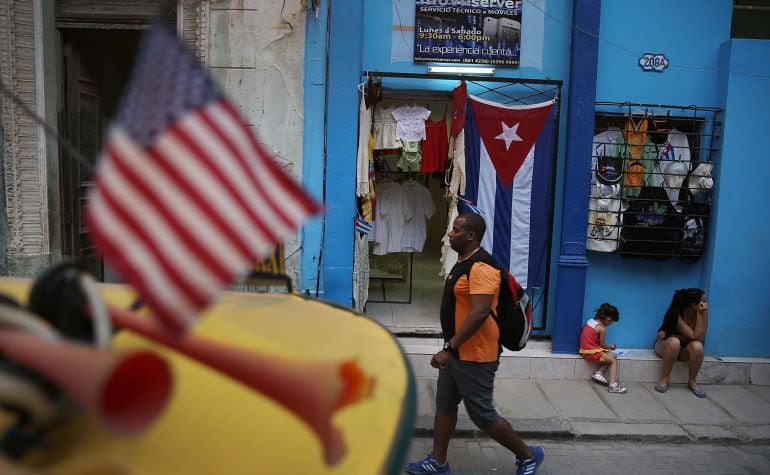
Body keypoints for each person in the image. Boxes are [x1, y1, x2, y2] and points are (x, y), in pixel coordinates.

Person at [406, 213, 544, 475]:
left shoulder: (482, 267)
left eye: (456, 230)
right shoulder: (463, 260)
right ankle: (438, 462)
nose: (450, 234)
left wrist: (450, 348)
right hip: (458, 351)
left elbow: (480, 313)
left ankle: (528, 455)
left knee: (482, 415)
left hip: (476, 355)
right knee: (445, 405)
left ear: (471, 236)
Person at [653, 288, 709, 398]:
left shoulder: (703, 312)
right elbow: (693, 336)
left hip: (684, 349)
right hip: (665, 345)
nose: (706, 305)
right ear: (694, 305)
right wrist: (700, 314)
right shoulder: (677, 314)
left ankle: (692, 381)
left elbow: (700, 339)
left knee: (698, 347)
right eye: (704, 302)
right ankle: (664, 379)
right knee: (674, 342)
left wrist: (703, 315)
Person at [579, 303, 627, 394]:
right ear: (608, 319)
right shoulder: (601, 328)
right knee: (613, 361)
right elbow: (602, 345)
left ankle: (599, 373)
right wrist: (611, 347)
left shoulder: (591, 321)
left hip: (586, 350)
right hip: (591, 352)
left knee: (612, 355)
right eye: (612, 322)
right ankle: (612, 385)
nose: (611, 324)